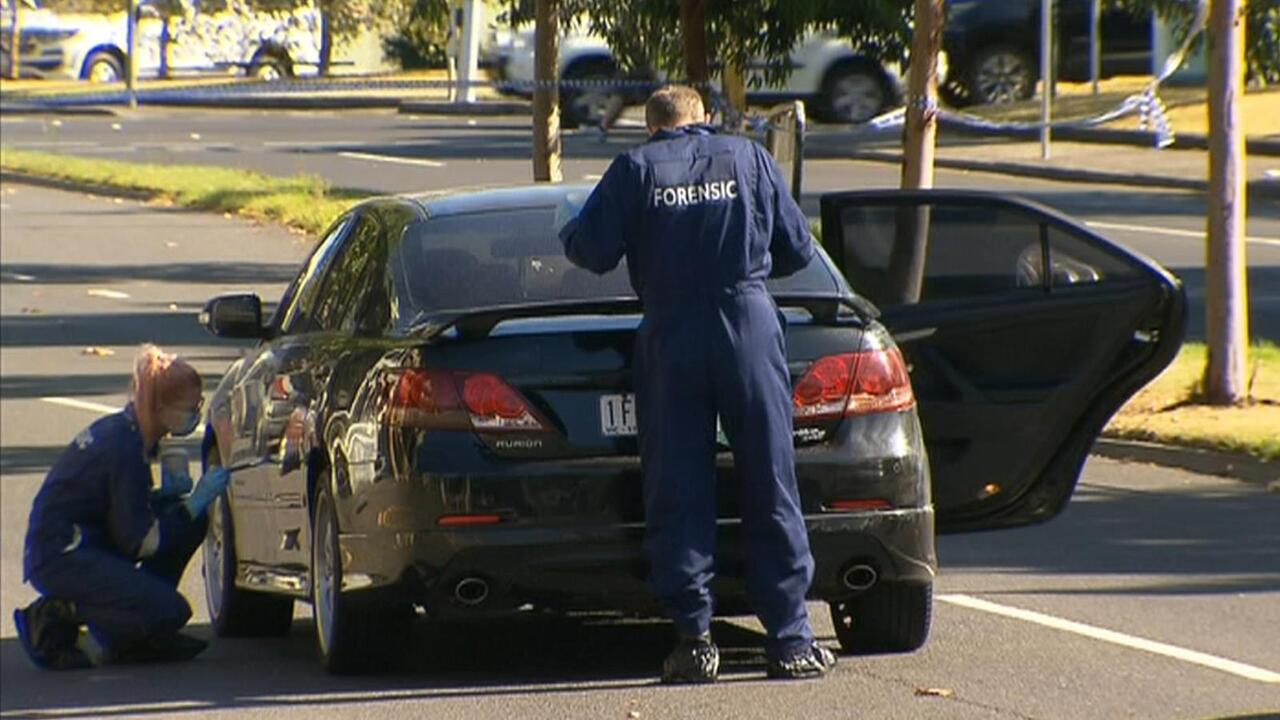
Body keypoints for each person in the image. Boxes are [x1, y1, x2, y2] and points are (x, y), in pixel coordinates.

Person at [559, 85, 836, 683]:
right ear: (704, 120)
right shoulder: (750, 157)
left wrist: (571, 228)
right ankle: (789, 639)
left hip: (672, 331)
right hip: (748, 323)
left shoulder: (634, 169)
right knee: (770, 473)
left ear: (652, 128)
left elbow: (591, 250)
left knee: (678, 480)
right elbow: (795, 248)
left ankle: (694, 639)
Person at [15, 344, 230, 669]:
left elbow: (114, 509)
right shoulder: (124, 448)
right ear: (162, 407)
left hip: (82, 544)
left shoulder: (128, 433)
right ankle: (58, 615)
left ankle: (128, 630)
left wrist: (164, 500)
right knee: (172, 610)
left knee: (189, 524)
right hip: (63, 554)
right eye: (189, 407)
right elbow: (141, 541)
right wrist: (192, 503)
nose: (194, 415)